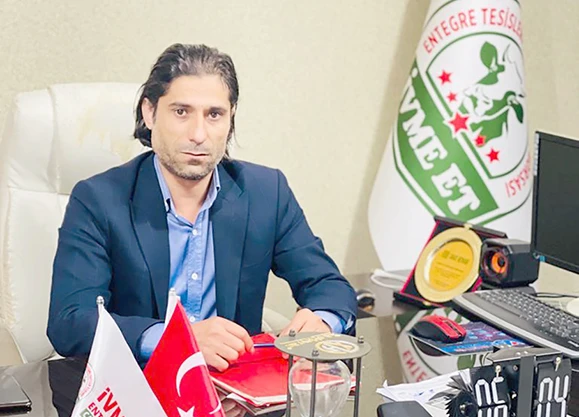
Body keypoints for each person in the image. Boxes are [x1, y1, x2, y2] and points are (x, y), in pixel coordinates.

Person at [47, 43, 357, 371]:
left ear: (231, 117)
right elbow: (70, 322)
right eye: (181, 112)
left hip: (233, 385)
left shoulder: (267, 193)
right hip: (140, 383)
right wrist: (177, 340)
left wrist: (322, 321)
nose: (198, 134)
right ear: (150, 113)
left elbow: (331, 288)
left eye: (214, 114)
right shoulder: (97, 200)